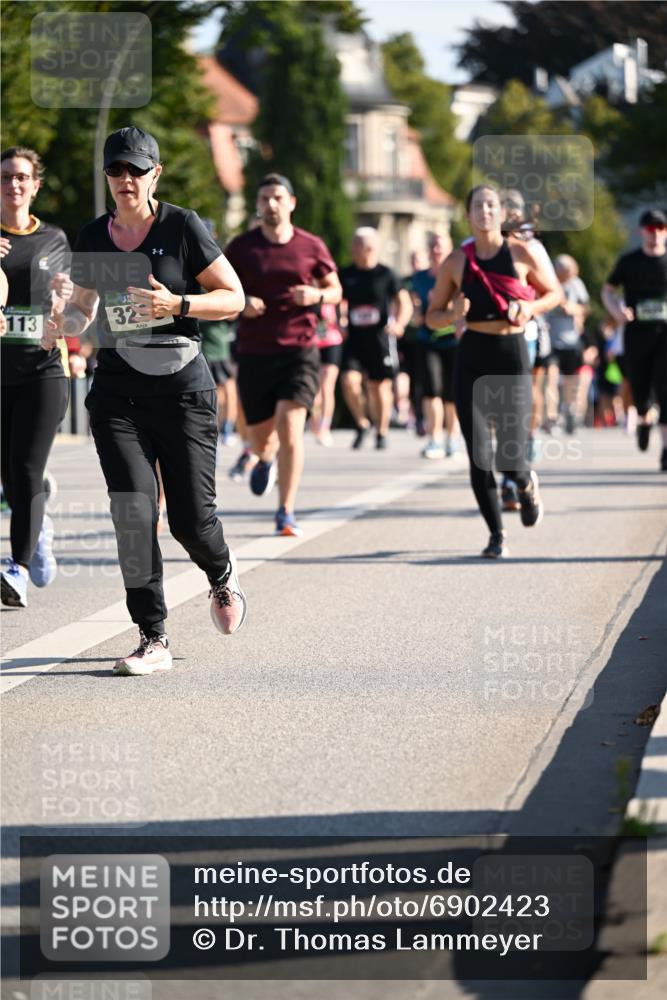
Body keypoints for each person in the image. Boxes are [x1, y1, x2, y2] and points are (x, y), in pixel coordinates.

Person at [48, 126, 247, 675]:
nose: (125, 179)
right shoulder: (94, 235)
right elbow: (83, 315)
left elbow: (234, 297)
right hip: (117, 394)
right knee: (133, 513)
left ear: (155, 174)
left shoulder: (181, 227)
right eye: (116, 170)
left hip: (182, 390)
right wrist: (62, 315)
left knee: (190, 520)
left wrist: (176, 302)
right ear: (107, 176)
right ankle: (151, 636)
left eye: (136, 169)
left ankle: (221, 574)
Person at [426, 184, 562, 558]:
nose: (485, 211)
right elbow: (431, 314)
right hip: (472, 353)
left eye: (491, 205)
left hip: (511, 352)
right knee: (478, 453)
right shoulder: (457, 261)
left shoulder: (522, 253)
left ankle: (524, 481)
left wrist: (528, 309)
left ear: (501, 214)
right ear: (468, 215)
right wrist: (452, 315)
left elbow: (554, 294)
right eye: (478, 206)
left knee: (510, 454)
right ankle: (496, 535)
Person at [225, 174, 342, 536]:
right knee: (262, 438)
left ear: (291, 202)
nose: (270, 204)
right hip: (255, 351)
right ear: (257, 205)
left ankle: (286, 510)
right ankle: (263, 458)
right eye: (263, 198)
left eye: (277, 197)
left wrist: (316, 296)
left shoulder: (311, 246)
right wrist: (242, 302)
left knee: (291, 428)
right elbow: (221, 294)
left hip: (299, 351)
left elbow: (335, 289)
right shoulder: (242, 248)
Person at [1, 146, 72, 608]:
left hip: (45, 369)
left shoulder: (54, 238)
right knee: (10, 477)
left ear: (36, 184)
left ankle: (17, 569)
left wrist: (65, 297)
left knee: (26, 469)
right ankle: (39, 525)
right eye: (6, 176)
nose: (14, 184)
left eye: (22, 177)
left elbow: (68, 305)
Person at [602, 209, 667, 470]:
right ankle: (643, 417)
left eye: (660, 228)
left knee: (665, 387)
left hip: (665, 334)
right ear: (642, 231)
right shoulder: (629, 262)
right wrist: (617, 311)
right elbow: (607, 290)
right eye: (651, 229)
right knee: (639, 388)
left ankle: (665, 449)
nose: (655, 233)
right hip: (637, 334)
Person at [339, 227, 413, 450]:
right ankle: (362, 423)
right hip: (354, 338)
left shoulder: (386, 274)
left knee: (378, 387)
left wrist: (399, 324)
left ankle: (381, 430)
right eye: (354, 244)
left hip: (379, 339)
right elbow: (337, 301)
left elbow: (404, 302)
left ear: (371, 248)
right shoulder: (347, 275)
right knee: (349, 382)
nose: (355, 249)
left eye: (359, 245)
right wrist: (339, 320)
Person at [410, 233, 460, 459]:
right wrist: (417, 311)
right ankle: (434, 439)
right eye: (433, 246)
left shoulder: (457, 276)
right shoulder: (419, 278)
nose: (436, 250)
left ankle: (452, 437)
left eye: (441, 246)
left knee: (452, 393)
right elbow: (413, 310)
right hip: (427, 339)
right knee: (431, 390)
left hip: (453, 339)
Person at [545, 254, 590, 434]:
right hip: (551, 340)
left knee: (571, 380)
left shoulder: (576, 284)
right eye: (564, 273)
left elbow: (586, 307)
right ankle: (552, 416)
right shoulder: (547, 280)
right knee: (551, 378)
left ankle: (570, 410)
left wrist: (574, 309)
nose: (568, 277)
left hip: (571, 340)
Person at [311, 301, 343, 447]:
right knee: (314, 392)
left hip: (332, 342)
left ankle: (325, 427)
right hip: (311, 344)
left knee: (327, 387)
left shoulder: (333, 294)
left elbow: (341, 318)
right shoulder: (308, 293)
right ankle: (315, 425)